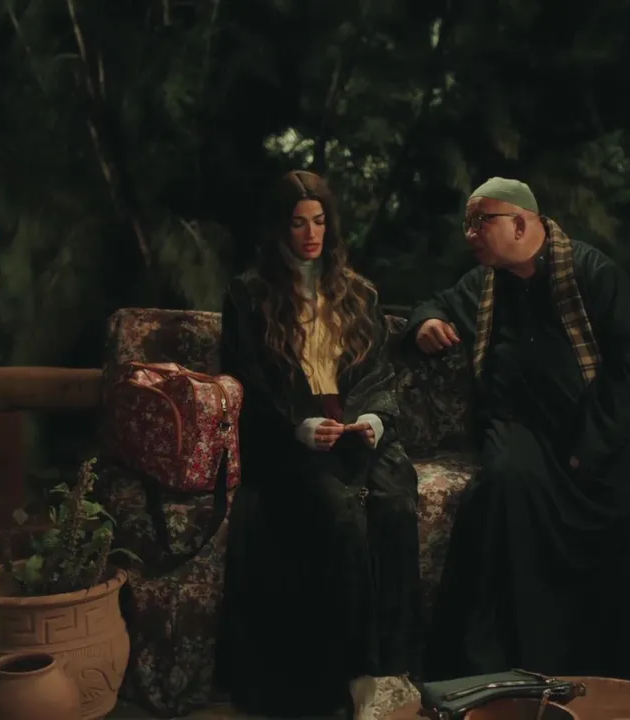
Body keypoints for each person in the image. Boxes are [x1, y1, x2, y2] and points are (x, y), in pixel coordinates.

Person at [410, 177, 630, 685]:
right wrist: (425, 324)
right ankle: (507, 664)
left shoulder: (593, 273)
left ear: (520, 223)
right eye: (468, 224)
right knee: (506, 485)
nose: (470, 235)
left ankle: (629, 663)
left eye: (481, 222)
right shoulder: (485, 284)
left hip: (600, 423)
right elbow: (431, 305)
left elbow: (628, 368)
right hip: (520, 426)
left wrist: (588, 448)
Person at [215, 170, 420, 719]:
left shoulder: (357, 293)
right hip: (287, 436)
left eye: (319, 221)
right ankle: (355, 674)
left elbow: (378, 373)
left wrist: (373, 419)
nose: (311, 234)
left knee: (396, 504)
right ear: (279, 228)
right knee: (340, 513)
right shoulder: (250, 294)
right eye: (299, 223)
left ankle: (395, 666)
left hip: (354, 425)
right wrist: (296, 426)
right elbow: (247, 378)